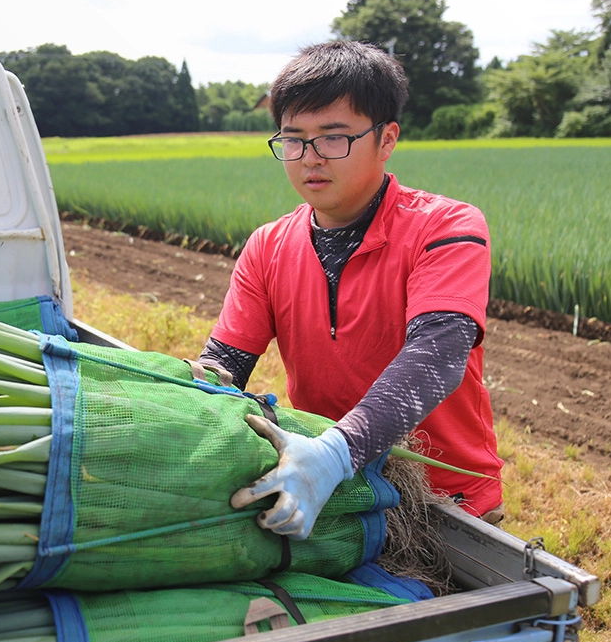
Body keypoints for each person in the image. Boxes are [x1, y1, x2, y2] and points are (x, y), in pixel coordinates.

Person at [198, 40, 504, 540]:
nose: (310, 158)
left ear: (386, 139)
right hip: (333, 495)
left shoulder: (446, 227)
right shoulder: (267, 247)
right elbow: (225, 365)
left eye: (333, 138)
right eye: (293, 140)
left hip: (446, 501)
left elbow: (438, 356)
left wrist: (336, 451)